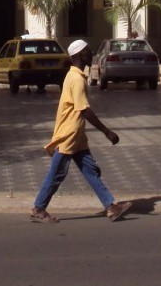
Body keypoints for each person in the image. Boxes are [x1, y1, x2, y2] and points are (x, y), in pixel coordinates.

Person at [30, 39, 133, 223]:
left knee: (90, 171)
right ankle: (38, 208)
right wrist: (107, 132)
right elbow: (84, 109)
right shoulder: (76, 79)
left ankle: (111, 207)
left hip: (77, 136)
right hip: (69, 135)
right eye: (87, 52)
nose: (91, 54)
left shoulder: (75, 76)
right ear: (78, 55)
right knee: (57, 173)